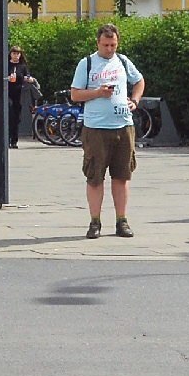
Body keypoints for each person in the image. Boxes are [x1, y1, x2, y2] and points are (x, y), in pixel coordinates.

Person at [69, 23, 144, 239]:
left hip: (123, 125)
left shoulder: (122, 61)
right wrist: (97, 93)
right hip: (96, 128)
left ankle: (122, 221)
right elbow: (75, 94)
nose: (109, 49)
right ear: (98, 43)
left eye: (113, 45)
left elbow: (139, 81)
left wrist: (135, 100)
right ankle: (95, 222)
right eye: (105, 45)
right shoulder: (88, 63)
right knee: (95, 177)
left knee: (122, 176)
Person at [5, 46, 34, 149]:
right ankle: (6, 139)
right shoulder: (6, 65)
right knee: (8, 115)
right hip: (7, 92)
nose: (16, 55)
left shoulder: (23, 66)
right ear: (10, 54)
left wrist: (28, 79)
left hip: (19, 93)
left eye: (18, 54)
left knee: (16, 118)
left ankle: (14, 141)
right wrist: (7, 78)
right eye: (14, 53)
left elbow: (28, 76)